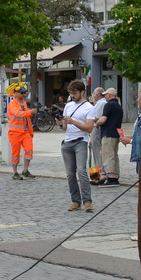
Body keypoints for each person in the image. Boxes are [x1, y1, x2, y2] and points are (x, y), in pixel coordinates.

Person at [59, 80, 98, 211]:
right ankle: (75, 201)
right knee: (70, 174)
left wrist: (74, 122)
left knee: (81, 171)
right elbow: (65, 128)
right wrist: (61, 124)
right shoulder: (68, 106)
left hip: (81, 141)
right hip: (67, 142)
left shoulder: (89, 108)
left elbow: (89, 128)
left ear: (82, 92)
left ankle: (87, 201)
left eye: (74, 93)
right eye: (70, 93)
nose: (72, 96)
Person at [5, 83, 35, 180]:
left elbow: (27, 119)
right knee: (15, 153)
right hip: (15, 133)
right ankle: (15, 173)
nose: (24, 95)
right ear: (16, 93)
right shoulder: (12, 104)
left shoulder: (24, 103)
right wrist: (30, 112)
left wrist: (31, 131)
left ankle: (25, 170)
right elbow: (18, 114)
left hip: (25, 132)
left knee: (29, 150)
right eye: (22, 93)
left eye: (25, 93)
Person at [98, 88, 125, 186]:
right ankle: (116, 176)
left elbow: (103, 119)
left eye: (105, 95)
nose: (105, 96)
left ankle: (111, 177)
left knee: (108, 155)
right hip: (116, 133)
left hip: (108, 133)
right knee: (114, 155)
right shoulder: (118, 106)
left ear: (109, 95)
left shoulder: (108, 105)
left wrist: (96, 122)